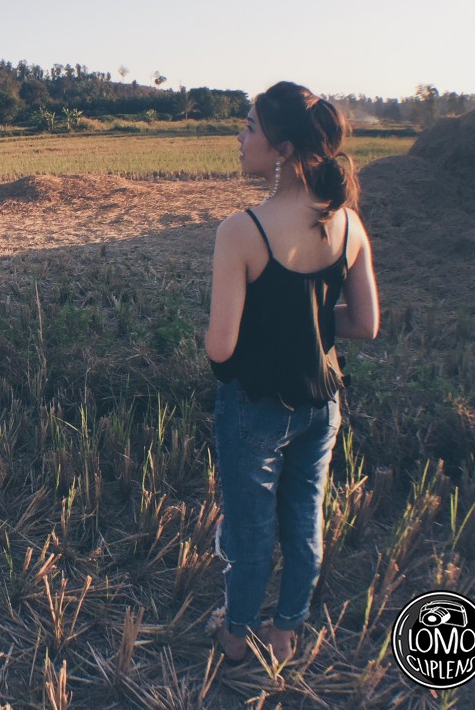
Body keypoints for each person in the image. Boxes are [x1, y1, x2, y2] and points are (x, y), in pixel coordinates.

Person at [204, 81, 379, 664]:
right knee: (305, 519)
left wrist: (254, 325)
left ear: (280, 150)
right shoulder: (348, 223)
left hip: (256, 404)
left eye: (249, 126)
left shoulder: (242, 231)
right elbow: (365, 324)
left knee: (250, 530)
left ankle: (235, 636)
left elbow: (221, 348)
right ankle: (286, 631)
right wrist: (306, 321)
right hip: (321, 403)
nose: (239, 135)